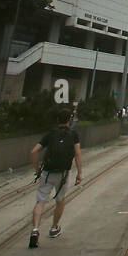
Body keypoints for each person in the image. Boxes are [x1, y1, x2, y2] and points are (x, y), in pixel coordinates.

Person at [29, 106, 83, 248]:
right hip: (63, 174)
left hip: (47, 172)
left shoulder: (50, 134)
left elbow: (34, 152)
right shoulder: (73, 135)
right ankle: (54, 228)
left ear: (57, 119)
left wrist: (37, 170)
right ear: (69, 120)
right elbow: (77, 154)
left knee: (40, 202)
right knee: (60, 200)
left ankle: (35, 229)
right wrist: (79, 173)